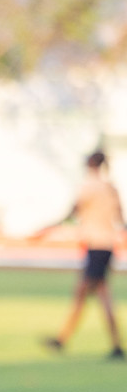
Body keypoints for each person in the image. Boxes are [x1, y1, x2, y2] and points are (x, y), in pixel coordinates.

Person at [37, 150, 124, 360]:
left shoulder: (89, 186)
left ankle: (65, 340)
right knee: (93, 295)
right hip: (106, 246)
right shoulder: (111, 188)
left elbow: (74, 210)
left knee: (90, 295)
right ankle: (66, 339)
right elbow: (120, 218)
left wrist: (52, 225)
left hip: (96, 245)